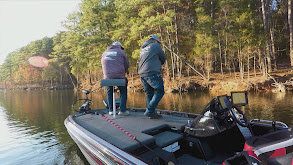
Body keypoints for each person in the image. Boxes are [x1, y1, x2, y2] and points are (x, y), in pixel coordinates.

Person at [138, 35, 167, 119]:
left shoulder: (143, 49)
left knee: (150, 93)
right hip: (151, 73)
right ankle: (149, 110)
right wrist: (160, 63)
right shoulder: (155, 45)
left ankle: (152, 114)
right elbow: (163, 58)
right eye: (158, 42)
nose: (159, 44)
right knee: (160, 91)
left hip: (142, 74)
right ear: (155, 40)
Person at [101, 41, 130, 116]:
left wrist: (106, 75)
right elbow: (127, 64)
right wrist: (125, 72)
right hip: (119, 76)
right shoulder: (121, 52)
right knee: (123, 91)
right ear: (119, 46)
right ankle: (122, 110)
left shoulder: (105, 52)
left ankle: (110, 110)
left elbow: (103, 64)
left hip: (107, 77)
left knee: (109, 91)